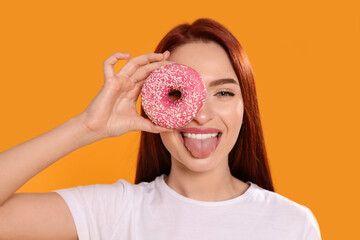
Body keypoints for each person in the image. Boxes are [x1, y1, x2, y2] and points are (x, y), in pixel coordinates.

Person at [0, 18, 321, 239]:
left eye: (223, 92)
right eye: (180, 93)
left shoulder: (292, 224)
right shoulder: (115, 212)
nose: (201, 115)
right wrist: (87, 126)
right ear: (154, 105)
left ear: (245, 106)